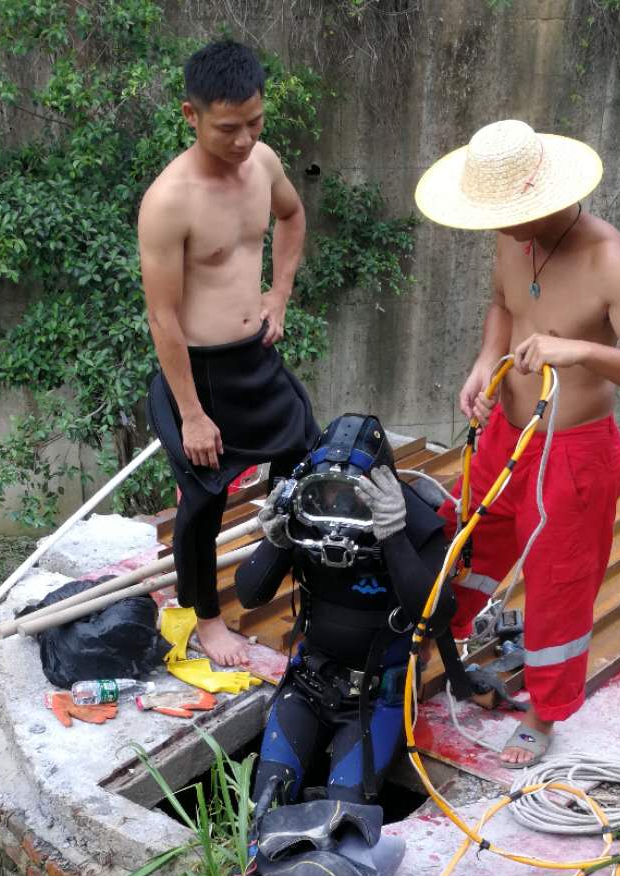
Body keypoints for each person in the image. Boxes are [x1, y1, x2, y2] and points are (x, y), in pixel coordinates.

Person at [414, 119, 620, 765]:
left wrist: (584, 348)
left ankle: (543, 711)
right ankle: (431, 649)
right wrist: (486, 360)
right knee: (465, 542)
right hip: (505, 438)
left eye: (511, 213)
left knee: (559, 582)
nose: (501, 227)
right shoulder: (516, 238)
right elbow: (504, 305)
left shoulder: (607, 261)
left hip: (573, 453)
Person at [138, 39, 318, 668]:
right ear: (191, 115)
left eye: (254, 123)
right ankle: (208, 620)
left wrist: (280, 293)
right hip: (201, 378)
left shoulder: (264, 164)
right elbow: (162, 317)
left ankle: (310, 594)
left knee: (311, 467)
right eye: (227, 128)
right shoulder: (169, 200)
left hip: (255, 360)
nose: (243, 140)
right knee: (203, 503)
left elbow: (292, 218)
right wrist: (190, 414)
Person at [235, 413, 453, 809]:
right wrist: (276, 541)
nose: (339, 508)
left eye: (353, 494)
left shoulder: (414, 524)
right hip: (308, 684)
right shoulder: (308, 516)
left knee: (345, 810)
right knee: (267, 796)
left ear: (380, 488)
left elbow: (437, 618)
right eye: (329, 492)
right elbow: (249, 595)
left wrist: (394, 536)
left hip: (377, 697)